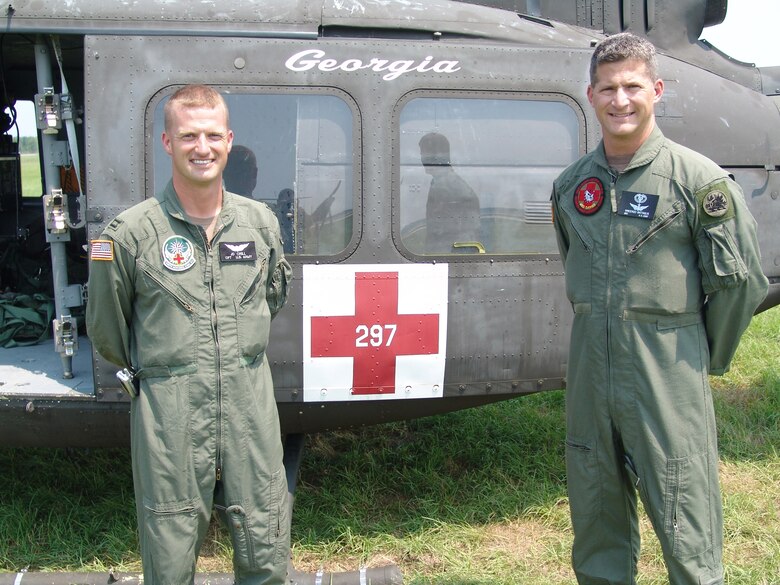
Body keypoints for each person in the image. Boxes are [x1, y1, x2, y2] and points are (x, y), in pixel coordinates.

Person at [550, 33, 768, 585]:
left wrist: (701, 353)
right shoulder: (572, 187)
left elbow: (740, 284)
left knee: (686, 526)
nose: (620, 100)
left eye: (632, 86)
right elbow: (574, 267)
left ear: (657, 90)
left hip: (667, 376)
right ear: (591, 95)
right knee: (596, 523)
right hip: (591, 380)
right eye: (607, 89)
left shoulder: (698, 182)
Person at [86, 84, 292, 585]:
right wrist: (172, 368)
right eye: (188, 136)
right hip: (169, 414)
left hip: (250, 406)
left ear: (229, 140)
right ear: (167, 142)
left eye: (213, 135)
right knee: (169, 550)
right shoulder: (130, 235)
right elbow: (108, 331)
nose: (203, 147)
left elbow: (271, 298)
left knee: (265, 540)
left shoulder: (260, 224)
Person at [418, 132, 481, 253]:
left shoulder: (446, 187)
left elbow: (464, 233)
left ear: (436, 156)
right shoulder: (444, 183)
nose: (421, 159)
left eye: (423, 154)